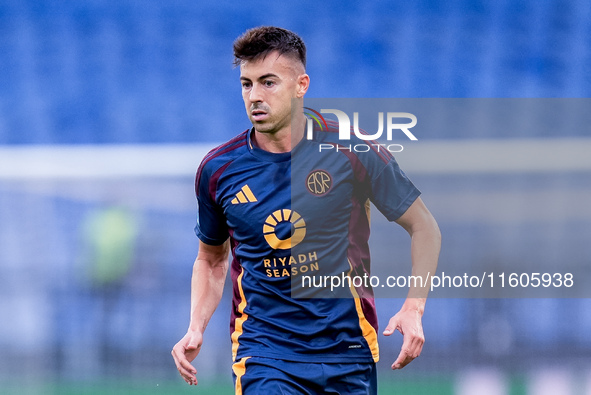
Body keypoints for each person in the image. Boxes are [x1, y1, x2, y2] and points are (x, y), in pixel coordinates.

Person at [171, 26, 441, 394]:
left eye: (268, 82)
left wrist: (414, 308)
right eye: (246, 84)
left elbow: (424, 227)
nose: (255, 96)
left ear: (301, 85)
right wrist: (196, 325)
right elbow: (212, 260)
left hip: (348, 351)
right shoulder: (219, 170)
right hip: (265, 354)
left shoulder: (352, 150)